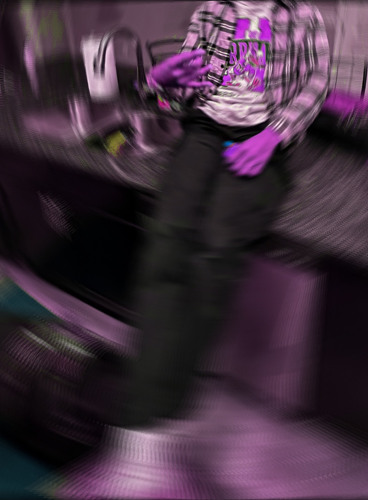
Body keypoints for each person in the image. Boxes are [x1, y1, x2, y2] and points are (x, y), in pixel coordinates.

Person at [45, 1, 331, 497]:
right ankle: (145, 434)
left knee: (215, 254)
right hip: (205, 130)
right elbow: (184, 88)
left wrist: (273, 135)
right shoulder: (212, 11)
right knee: (165, 246)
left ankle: (153, 428)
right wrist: (158, 82)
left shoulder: (302, 16)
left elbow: (316, 83)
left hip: (261, 136)